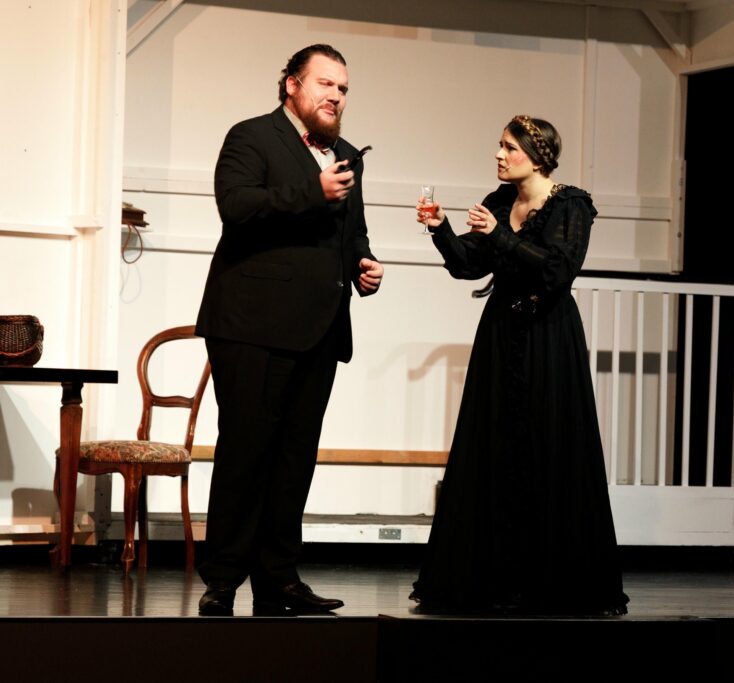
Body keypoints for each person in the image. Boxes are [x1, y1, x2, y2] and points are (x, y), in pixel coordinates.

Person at [410, 115, 628, 615]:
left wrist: (502, 238)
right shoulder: (499, 202)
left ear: (537, 154)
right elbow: (468, 264)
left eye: (509, 147)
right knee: (495, 445)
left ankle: (550, 582)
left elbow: (558, 270)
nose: (499, 154)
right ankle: (495, 580)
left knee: (546, 445)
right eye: (500, 145)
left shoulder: (570, 204)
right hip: (501, 335)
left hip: (547, 336)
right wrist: (441, 229)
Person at [194, 44, 383, 616]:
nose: (335, 96)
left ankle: (277, 578)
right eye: (325, 83)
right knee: (246, 451)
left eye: (343, 88)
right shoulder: (252, 136)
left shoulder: (345, 155)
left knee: (295, 458)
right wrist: (312, 191)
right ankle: (223, 578)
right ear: (292, 86)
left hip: (319, 326)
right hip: (252, 323)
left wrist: (363, 263)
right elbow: (237, 207)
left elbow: (351, 230)